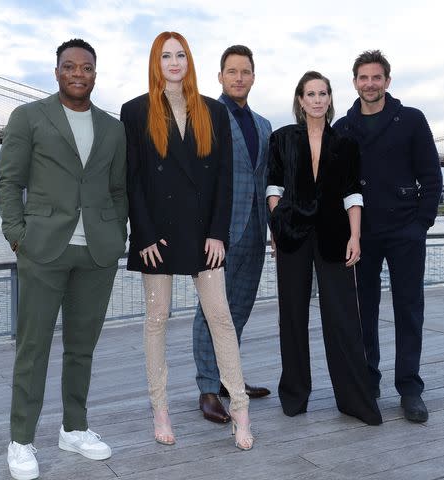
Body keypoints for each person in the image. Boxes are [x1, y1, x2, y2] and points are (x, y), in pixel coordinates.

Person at [0, 39, 128, 480]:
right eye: (69, 67)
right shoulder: (28, 117)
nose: (78, 73)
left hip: (97, 251)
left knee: (82, 348)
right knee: (32, 348)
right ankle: (21, 439)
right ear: (56, 73)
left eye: (86, 67)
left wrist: (117, 233)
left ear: (95, 73)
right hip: (43, 250)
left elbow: (117, 189)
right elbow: (9, 181)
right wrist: (18, 237)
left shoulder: (113, 128)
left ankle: (74, 427)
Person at [120, 31, 253, 450]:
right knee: (156, 321)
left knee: (221, 318)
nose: (174, 62)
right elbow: (133, 179)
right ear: (155, 62)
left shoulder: (213, 111)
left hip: (202, 235)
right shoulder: (135, 111)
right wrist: (141, 234)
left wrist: (218, 232)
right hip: (156, 236)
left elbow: (223, 177)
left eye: (180, 55)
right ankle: (159, 409)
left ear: (189, 61)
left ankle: (241, 411)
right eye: (165, 56)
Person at [267, 71, 382, 426]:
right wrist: (278, 225)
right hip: (293, 236)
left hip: (334, 236)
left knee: (344, 318)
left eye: (323, 94)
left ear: (330, 99)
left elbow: (353, 194)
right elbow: (273, 188)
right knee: (293, 315)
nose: (317, 100)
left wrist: (355, 235)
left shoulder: (345, 143)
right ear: (300, 100)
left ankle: (354, 400)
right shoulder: (281, 138)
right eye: (310, 94)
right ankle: (295, 395)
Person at [334, 50, 442, 423]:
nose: (370, 84)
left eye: (376, 77)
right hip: (361, 236)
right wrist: (346, 233)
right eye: (363, 78)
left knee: (409, 310)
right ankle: (369, 381)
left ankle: (410, 388)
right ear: (354, 82)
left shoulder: (410, 119)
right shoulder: (342, 128)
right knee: (364, 312)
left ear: (387, 81)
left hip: (404, 231)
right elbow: (335, 186)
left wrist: (421, 224)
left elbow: (431, 176)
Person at [192, 45, 272, 424]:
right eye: (232, 71)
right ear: (220, 77)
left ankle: (228, 379)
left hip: (256, 231)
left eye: (245, 71)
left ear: (253, 77)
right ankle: (207, 389)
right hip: (217, 234)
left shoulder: (264, 125)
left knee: (238, 311)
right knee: (211, 313)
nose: (239, 78)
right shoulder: (205, 115)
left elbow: (267, 180)